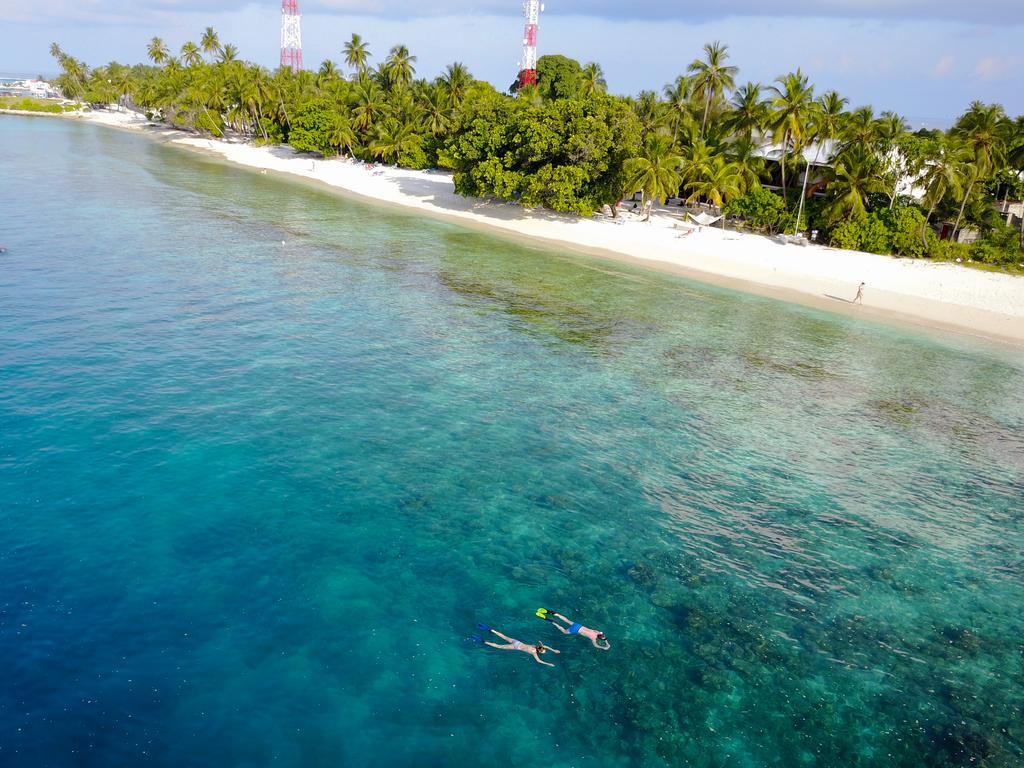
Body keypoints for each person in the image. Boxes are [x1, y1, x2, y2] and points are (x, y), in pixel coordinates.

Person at [478, 626, 560, 667]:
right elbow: (539, 661)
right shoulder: (534, 653)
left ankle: (491, 630)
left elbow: (544, 646)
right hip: (516, 647)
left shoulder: (536, 646)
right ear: (539, 651)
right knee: (499, 646)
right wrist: (549, 664)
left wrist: (553, 650)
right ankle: (483, 641)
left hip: (517, 642)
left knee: (503, 636)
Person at [540, 610, 611, 651]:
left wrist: (606, 642)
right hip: (576, 630)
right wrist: (604, 647)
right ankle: (553, 622)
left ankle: (554, 613)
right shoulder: (593, 638)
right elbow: (596, 646)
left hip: (578, 625)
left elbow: (603, 635)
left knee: (567, 620)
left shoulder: (597, 632)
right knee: (565, 632)